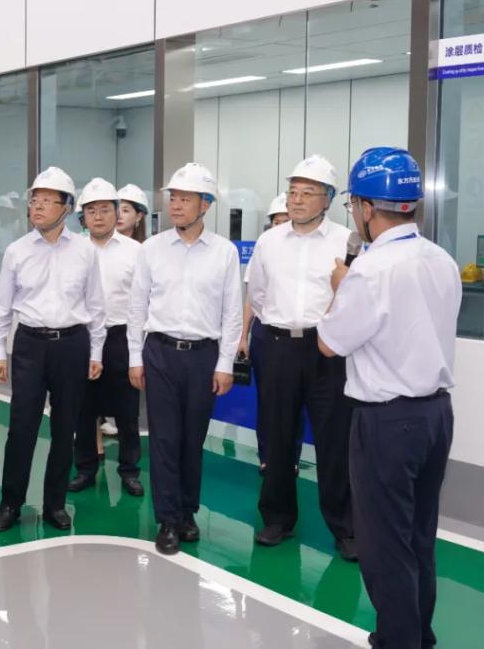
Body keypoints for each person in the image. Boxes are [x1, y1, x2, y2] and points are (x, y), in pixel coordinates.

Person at [318, 147, 461, 649]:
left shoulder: (371, 270)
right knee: (420, 536)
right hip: (436, 416)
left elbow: (330, 343)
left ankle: (399, 640)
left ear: (364, 207)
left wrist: (340, 287)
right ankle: (419, 636)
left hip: (386, 422)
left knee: (384, 546)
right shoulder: (441, 260)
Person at [247, 156, 357, 561]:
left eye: (307, 193)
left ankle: (346, 527)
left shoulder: (346, 241)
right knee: (277, 436)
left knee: (334, 440)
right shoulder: (269, 241)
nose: (296, 200)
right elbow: (258, 295)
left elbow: (355, 297)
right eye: (292, 192)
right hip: (277, 346)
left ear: (327, 199)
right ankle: (277, 518)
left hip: (327, 349)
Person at [128, 162, 241, 555]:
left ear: (205, 205)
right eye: (172, 198)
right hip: (159, 352)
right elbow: (137, 306)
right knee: (163, 439)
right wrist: (135, 357)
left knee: (193, 439)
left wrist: (225, 363)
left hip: (203, 357)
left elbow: (232, 313)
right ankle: (167, 519)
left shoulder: (224, 252)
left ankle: (188, 511)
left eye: (185, 199)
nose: (175, 205)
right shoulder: (151, 249)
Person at [0, 166, 106, 532]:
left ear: (66, 208)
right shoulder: (16, 251)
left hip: (72, 345)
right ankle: (10, 502)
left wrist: (96, 353)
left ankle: (55, 504)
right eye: (34, 200)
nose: (36, 207)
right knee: (21, 426)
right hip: (29, 345)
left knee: (65, 428)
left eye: (46, 201)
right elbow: (2, 306)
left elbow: (96, 305)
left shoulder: (85, 251)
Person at [67, 178, 144, 497]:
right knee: (83, 407)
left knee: (127, 409)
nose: (98, 216)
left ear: (116, 212)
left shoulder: (136, 252)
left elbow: (143, 301)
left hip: (120, 337)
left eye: (105, 210)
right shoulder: (71, 248)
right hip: (82, 337)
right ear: (82, 217)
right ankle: (85, 468)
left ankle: (129, 470)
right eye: (91, 211)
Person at [239, 192, 302, 473]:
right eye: (276, 221)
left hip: (300, 338)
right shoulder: (264, 249)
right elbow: (252, 299)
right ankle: (267, 455)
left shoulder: (307, 254)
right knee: (267, 400)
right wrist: (243, 336)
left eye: (285, 220)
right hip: (266, 335)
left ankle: (292, 458)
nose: (281, 225)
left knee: (297, 402)